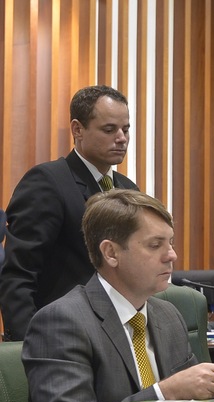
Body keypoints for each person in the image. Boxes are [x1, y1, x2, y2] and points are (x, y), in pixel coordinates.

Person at [21, 189, 214, 402]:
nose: (172, 255)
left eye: (171, 243)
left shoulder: (168, 315)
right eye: (155, 245)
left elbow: (201, 394)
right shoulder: (62, 321)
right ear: (111, 253)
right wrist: (164, 392)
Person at [0, 85, 139, 341]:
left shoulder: (129, 189)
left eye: (126, 129)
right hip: (61, 336)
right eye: (109, 129)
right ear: (77, 129)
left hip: (119, 337)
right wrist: (28, 344)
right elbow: (18, 274)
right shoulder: (47, 182)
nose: (121, 138)